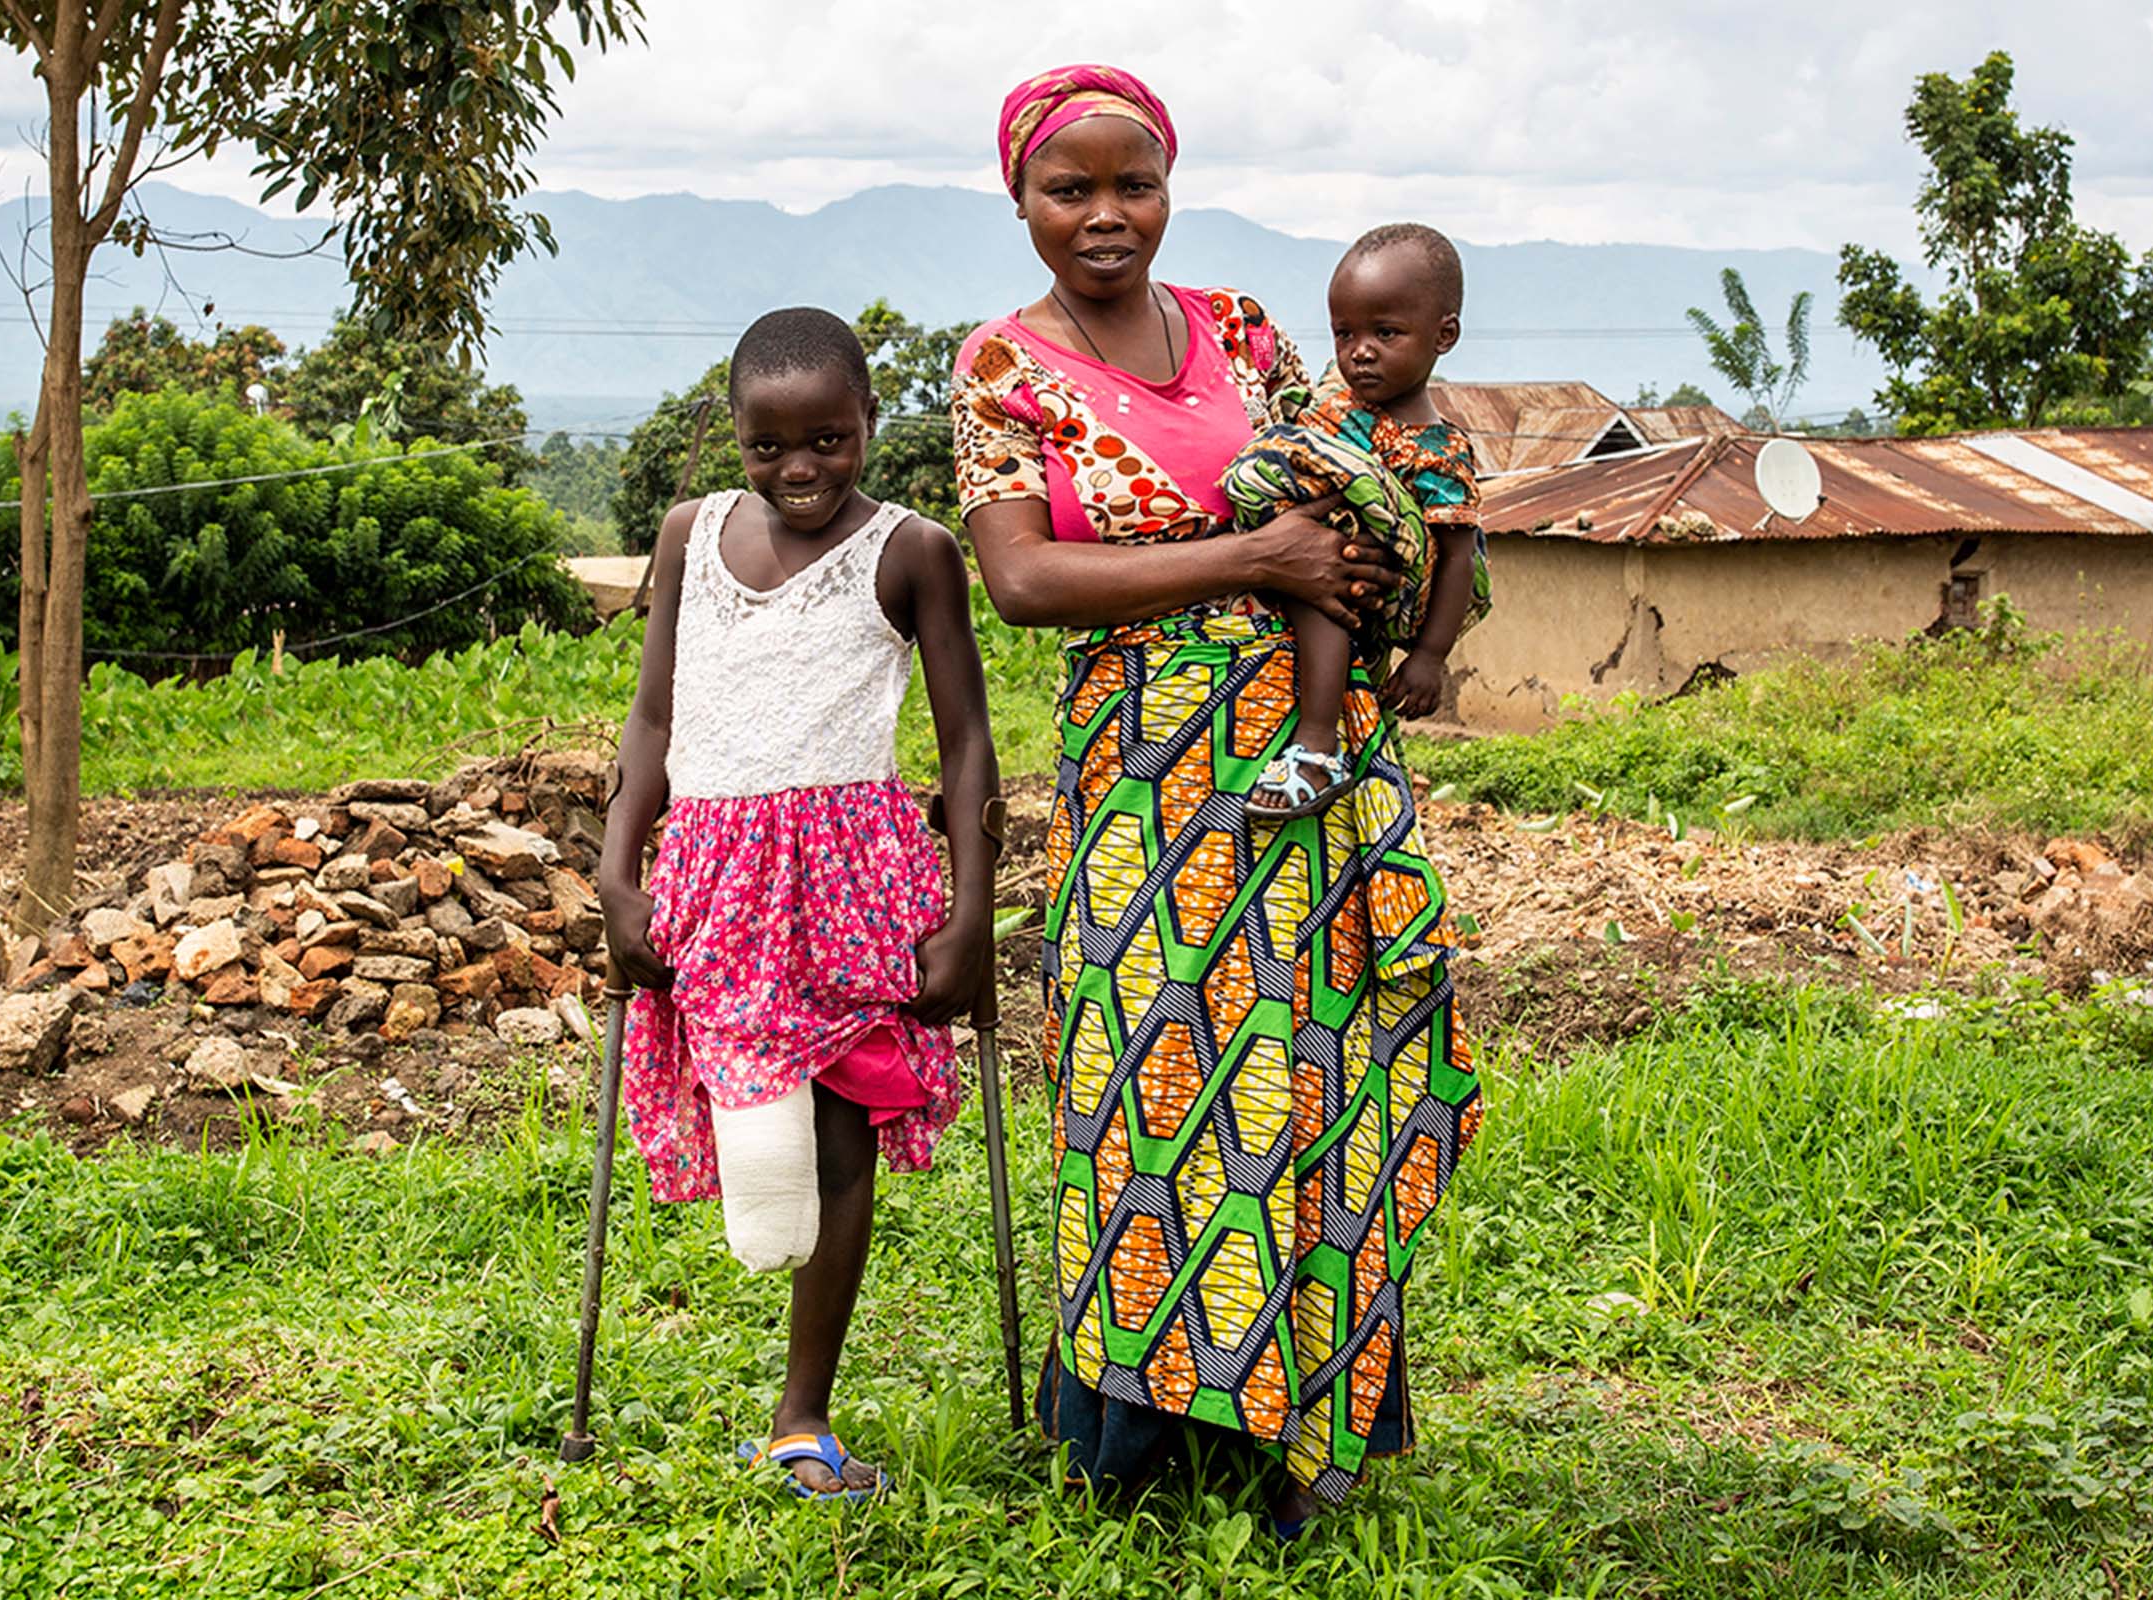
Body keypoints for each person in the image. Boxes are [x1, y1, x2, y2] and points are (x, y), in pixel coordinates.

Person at [953, 63, 1482, 1536]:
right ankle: (1140, 1449)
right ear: (1023, 201)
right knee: (1152, 1071)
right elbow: (1024, 578)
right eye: (1073, 190)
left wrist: (1395, 582)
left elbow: (1364, 474)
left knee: (1310, 1069)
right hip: (1145, 761)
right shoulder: (1003, 367)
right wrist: (1257, 561)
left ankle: (1302, 1433)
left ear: (1170, 189)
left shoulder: (1246, 328)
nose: (1108, 216)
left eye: (1135, 185)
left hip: (1306, 752)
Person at [596, 306, 999, 1502]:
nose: (802, 469)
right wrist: (619, 873)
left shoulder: (911, 549)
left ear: (872, 422)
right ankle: (788, 1381)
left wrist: (970, 917)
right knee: (756, 1137)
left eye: (829, 439)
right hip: (714, 875)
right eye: (771, 447)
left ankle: (801, 1414)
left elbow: (967, 740)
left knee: (837, 1136)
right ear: (734, 439)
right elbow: (654, 718)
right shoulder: (687, 534)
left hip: (853, 875)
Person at [1225, 223, 1492, 818]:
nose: (1360, 351)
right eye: (1345, 333)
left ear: (1443, 335)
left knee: (1330, 576)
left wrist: (1429, 657)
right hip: (1278, 584)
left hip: (1356, 586)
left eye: (1386, 333)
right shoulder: (1330, 407)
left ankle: (1317, 745)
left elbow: (1456, 555)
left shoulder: (1438, 452)